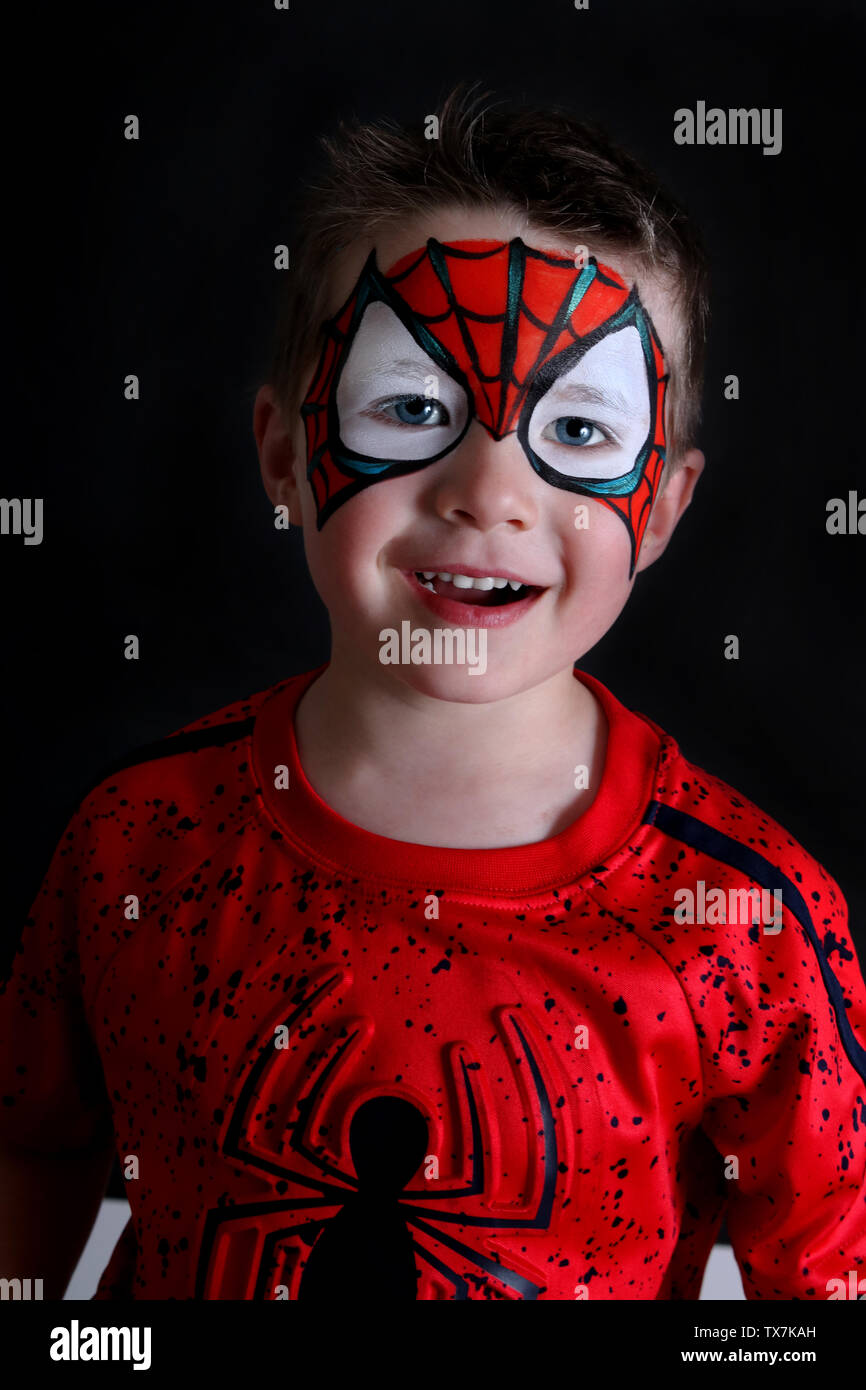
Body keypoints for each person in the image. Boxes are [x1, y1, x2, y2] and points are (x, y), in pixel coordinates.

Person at [1, 86, 864, 1302]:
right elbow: (33, 1143)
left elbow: (822, 1278)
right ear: (286, 455)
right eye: (411, 408)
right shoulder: (132, 842)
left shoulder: (747, 917)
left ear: (660, 507)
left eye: (576, 433)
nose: (485, 491)